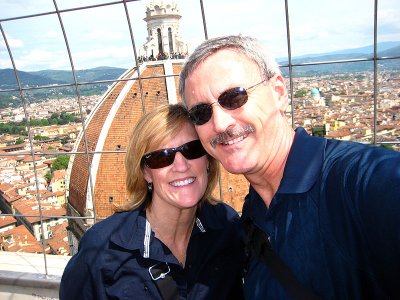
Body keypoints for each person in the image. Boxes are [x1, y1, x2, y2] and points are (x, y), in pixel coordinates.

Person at [179, 34, 400, 299]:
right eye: (201, 113)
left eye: (234, 97)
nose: (220, 124)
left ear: (279, 93)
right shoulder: (251, 212)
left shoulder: (358, 183)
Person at [59, 104, 245, 300]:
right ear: (146, 172)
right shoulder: (102, 252)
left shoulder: (227, 227)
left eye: (192, 149)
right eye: (161, 157)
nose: (181, 166)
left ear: (208, 159)